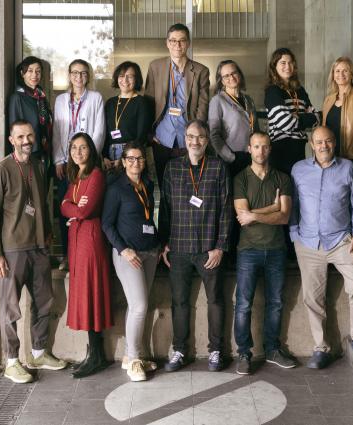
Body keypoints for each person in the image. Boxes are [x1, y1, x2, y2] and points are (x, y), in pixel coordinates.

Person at [0, 120, 67, 384]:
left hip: (39, 247)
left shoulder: (39, 166)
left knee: (44, 302)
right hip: (12, 250)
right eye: (20, 136)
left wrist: (48, 233)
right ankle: (12, 361)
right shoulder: (1, 169)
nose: (26, 140)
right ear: (11, 140)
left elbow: (42, 204)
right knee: (10, 308)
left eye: (30, 135)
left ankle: (39, 353)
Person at [291, 126, 353, 369]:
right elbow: (293, 205)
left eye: (328, 141)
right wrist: (294, 236)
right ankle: (321, 348)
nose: (324, 146)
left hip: (341, 240)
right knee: (312, 297)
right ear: (311, 144)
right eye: (319, 142)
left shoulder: (347, 168)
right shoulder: (299, 169)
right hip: (308, 242)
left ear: (334, 143)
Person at [158, 120, 232, 373]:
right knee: (179, 302)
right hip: (178, 248)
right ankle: (180, 350)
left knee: (216, 300)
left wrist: (220, 246)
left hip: (209, 248)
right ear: (185, 138)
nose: (195, 141)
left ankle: (216, 351)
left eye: (200, 137)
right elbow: (165, 208)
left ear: (207, 141)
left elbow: (226, 209)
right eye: (190, 136)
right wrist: (164, 243)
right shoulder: (172, 168)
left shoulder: (218, 167)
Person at [232, 132, 295, 375]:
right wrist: (272, 207)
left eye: (265, 147)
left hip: (276, 249)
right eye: (256, 146)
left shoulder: (282, 178)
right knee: (243, 304)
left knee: (276, 303)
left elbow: (285, 216)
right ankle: (244, 353)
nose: (261, 151)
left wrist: (256, 214)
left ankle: (272, 350)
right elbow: (242, 217)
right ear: (249, 148)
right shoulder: (240, 178)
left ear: (270, 149)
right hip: (248, 251)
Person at [102, 142, 160, 382]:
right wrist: (123, 250)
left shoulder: (147, 184)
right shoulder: (116, 188)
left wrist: (158, 244)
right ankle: (135, 359)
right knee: (140, 306)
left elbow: (149, 217)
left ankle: (129, 355)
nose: (136, 163)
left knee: (136, 306)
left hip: (150, 252)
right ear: (124, 161)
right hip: (129, 255)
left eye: (140, 158)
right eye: (131, 159)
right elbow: (106, 224)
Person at [60, 132, 113, 379]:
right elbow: (63, 205)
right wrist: (72, 207)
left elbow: (86, 210)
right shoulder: (76, 176)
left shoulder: (96, 175)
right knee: (83, 294)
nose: (78, 152)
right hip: (77, 240)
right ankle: (93, 353)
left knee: (91, 293)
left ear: (91, 150)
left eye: (83, 147)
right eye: (74, 148)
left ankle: (97, 355)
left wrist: (73, 209)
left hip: (90, 241)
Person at [53, 59, 106, 271]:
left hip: (86, 160)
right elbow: (57, 132)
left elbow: (99, 130)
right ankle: (67, 255)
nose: (79, 77)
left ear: (88, 76)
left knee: (86, 207)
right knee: (66, 207)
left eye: (83, 73)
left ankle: (85, 251)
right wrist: (59, 159)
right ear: (69, 75)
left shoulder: (95, 98)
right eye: (75, 73)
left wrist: (88, 158)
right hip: (67, 162)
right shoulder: (60, 100)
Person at [145, 23, 210, 185]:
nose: (177, 45)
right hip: (162, 138)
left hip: (188, 140)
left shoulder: (201, 71)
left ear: (188, 43)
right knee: (164, 185)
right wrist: (150, 134)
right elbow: (148, 100)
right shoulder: (155, 67)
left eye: (182, 40)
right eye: (173, 40)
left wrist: (196, 136)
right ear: (167, 43)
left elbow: (203, 106)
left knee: (189, 186)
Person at [264, 47, 320, 176]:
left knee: (298, 186)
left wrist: (296, 117)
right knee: (284, 187)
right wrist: (305, 117)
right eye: (283, 63)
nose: (287, 66)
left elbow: (316, 119)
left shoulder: (300, 90)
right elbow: (285, 123)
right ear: (274, 67)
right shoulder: (273, 91)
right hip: (280, 150)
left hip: (299, 148)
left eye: (290, 63)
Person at [208, 59, 259, 180]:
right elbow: (214, 135)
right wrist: (231, 158)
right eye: (226, 76)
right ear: (221, 81)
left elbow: (256, 129)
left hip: (251, 157)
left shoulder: (249, 100)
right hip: (232, 159)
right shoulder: (217, 101)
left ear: (239, 74)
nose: (231, 77)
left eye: (233, 73)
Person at [103, 62, 152, 173]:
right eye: (121, 76)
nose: (125, 80)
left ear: (136, 79)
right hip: (110, 157)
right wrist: (104, 156)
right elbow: (105, 133)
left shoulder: (142, 102)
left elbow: (141, 136)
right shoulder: (110, 103)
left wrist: (124, 159)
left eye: (130, 76)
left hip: (132, 157)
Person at [321, 56, 353, 160]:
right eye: (337, 71)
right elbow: (323, 128)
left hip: (352, 157)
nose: (341, 74)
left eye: (345, 71)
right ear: (333, 75)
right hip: (329, 156)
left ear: (352, 75)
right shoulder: (328, 100)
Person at [8, 56, 52, 160]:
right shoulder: (17, 98)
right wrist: (20, 156)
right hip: (28, 152)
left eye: (38, 71)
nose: (34, 75)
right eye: (30, 71)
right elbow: (14, 130)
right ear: (22, 73)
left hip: (44, 149)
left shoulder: (41, 96)